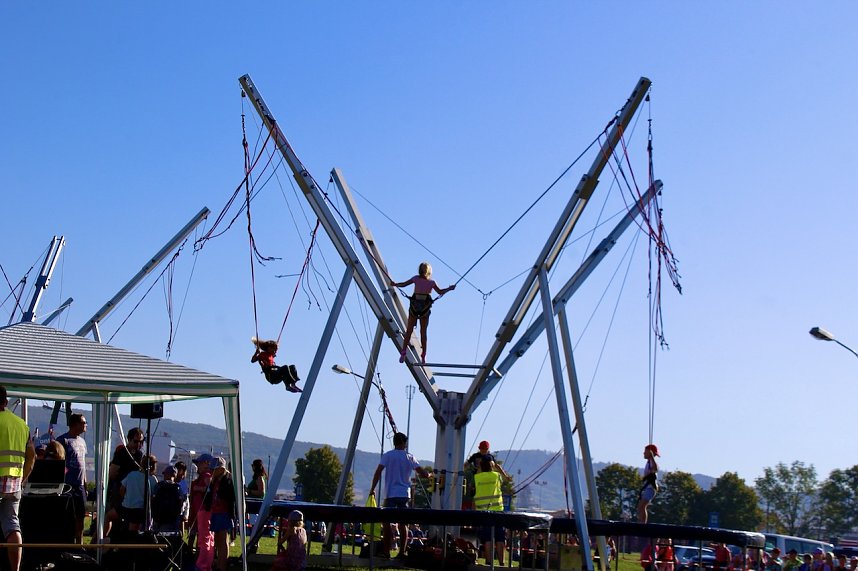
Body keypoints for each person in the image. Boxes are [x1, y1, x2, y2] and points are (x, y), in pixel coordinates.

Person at [369, 432, 431, 558]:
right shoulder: (409, 457)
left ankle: (386, 552)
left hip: (390, 493)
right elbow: (422, 473)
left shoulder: (388, 456)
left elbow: (378, 472)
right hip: (404, 494)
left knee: (386, 523)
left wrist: (372, 488)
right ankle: (402, 551)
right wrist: (430, 475)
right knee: (404, 524)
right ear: (404, 443)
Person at [0, 386, 36, 571]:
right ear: (5, 402)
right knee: (13, 526)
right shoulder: (22, 425)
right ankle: (15, 569)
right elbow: (32, 456)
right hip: (13, 483)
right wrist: (23, 478)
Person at [390, 262, 456, 364]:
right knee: (423, 332)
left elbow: (403, 284)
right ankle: (423, 355)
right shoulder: (432, 283)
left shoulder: (416, 279)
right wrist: (449, 289)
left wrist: (395, 284)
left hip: (414, 308)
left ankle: (403, 351)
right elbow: (440, 292)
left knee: (409, 330)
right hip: (425, 309)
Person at [103, 426, 145, 538]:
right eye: (136, 441)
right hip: (120, 489)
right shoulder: (121, 452)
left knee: (130, 522)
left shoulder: (140, 455)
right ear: (129, 439)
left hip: (133, 492)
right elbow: (113, 473)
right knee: (114, 516)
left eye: (141, 442)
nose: (139, 444)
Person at [56, 413, 88, 543]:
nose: (86, 425)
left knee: (80, 517)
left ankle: (79, 545)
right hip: (67, 485)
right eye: (84, 422)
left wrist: (85, 485)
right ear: (76, 424)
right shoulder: (63, 440)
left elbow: (83, 464)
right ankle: (66, 543)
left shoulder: (82, 441)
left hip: (80, 485)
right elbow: (58, 463)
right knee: (68, 518)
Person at [473, 457, 506, 565]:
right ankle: (501, 562)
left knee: (488, 538)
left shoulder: (477, 477)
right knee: (500, 538)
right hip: (498, 511)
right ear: (492, 466)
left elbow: (478, 473)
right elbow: (502, 478)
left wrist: (480, 466)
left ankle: (488, 561)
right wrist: (496, 467)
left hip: (483, 512)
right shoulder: (496, 476)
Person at [120, 454, 158, 532]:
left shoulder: (131, 474)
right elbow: (153, 497)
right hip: (139, 509)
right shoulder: (152, 480)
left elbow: (122, 490)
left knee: (110, 516)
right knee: (133, 531)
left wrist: (127, 498)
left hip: (126, 507)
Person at [189, 453, 215, 549]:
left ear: (207, 463)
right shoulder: (201, 476)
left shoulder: (207, 475)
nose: (197, 466)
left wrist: (197, 488)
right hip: (196, 511)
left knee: (201, 535)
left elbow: (209, 489)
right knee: (193, 533)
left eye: (199, 463)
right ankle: (192, 553)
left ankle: (198, 556)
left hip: (202, 511)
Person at [152, 465, 184, 533]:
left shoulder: (159, 485)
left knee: (156, 538)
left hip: (158, 517)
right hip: (172, 519)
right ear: (175, 475)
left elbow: (152, 499)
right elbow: (181, 503)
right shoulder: (178, 487)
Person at [637, 443, 660, 523]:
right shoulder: (648, 463)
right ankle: (641, 523)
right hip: (648, 488)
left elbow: (655, 468)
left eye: (645, 452)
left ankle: (643, 524)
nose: (643, 453)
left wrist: (652, 457)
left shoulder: (651, 462)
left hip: (651, 488)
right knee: (641, 506)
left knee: (642, 506)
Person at [174, 461, 190, 535]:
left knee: (181, 521)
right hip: (175, 505)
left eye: (179, 470)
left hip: (181, 506)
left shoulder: (183, 483)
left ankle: (181, 535)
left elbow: (185, 498)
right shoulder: (173, 480)